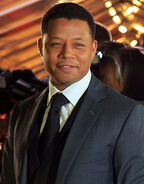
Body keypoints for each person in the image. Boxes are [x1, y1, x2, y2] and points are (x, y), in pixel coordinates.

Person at [1, 2, 144, 184]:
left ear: (93, 48)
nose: (66, 53)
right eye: (56, 43)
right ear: (40, 47)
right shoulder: (22, 112)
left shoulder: (127, 115)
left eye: (78, 44)